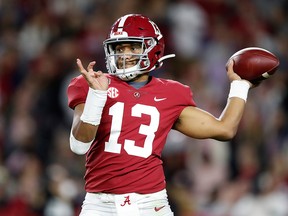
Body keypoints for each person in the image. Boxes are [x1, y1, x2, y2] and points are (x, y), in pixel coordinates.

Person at [67, 14, 252, 216]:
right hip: (100, 204)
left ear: (152, 49)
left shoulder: (171, 93)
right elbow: (79, 146)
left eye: (133, 47)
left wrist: (240, 85)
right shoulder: (93, 84)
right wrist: (97, 95)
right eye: (119, 48)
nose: (124, 54)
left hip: (150, 204)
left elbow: (225, 129)